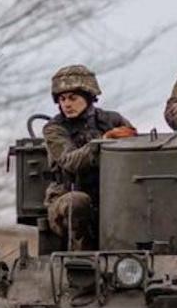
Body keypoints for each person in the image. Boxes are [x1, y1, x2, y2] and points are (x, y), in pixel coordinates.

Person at [43, 65, 135, 250]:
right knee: (77, 202)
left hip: (110, 194)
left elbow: (134, 149)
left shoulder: (112, 120)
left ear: (88, 97)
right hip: (66, 199)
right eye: (62, 99)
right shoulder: (54, 129)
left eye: (73, 98)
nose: (67, 104)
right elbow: (70, 161)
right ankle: (81, 258)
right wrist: (103, 142)